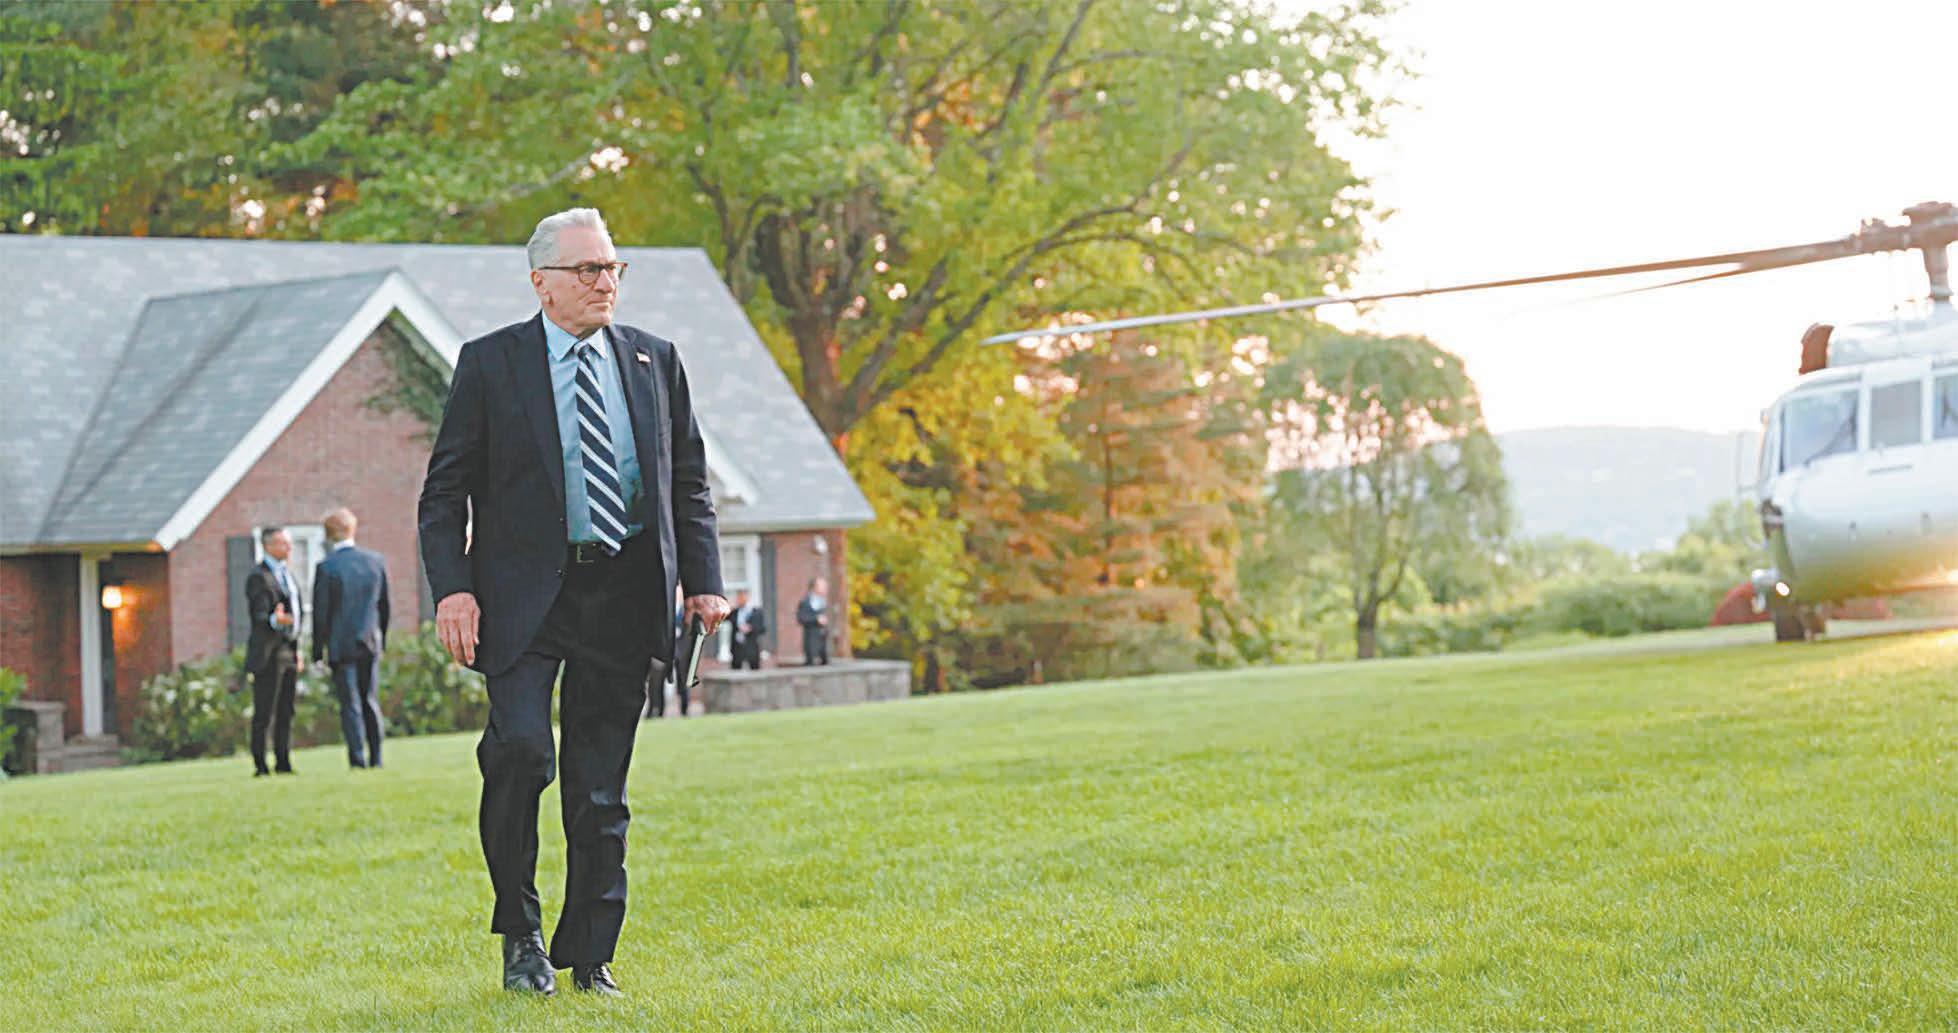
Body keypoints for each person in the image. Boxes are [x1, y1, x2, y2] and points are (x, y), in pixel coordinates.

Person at [419, 206, 728, 998]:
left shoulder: (655, 361)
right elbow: (444, 492)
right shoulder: (491, 364)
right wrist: (453, 589)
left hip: (622, 593)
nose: (604, 282)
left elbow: (689, 483)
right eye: (587, 269)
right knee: (521, 751)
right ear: (542, 283)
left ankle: (591, 953)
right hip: (522, 598)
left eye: (612, 267)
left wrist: (704, 581)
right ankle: (520, 934)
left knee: (599, 788)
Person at [310, 507, 391, 770]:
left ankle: (357, 759)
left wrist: (317, 651)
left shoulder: (327, 567)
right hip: (369, 641)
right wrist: (382, 640)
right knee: (370, 700)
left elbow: (321, 614)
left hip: (340, 645)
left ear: (328, 534)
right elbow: (384, 607)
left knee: (350, 704)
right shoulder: (375, 561)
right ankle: (377, 757)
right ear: (352, 529)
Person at [244, 526, 304, 776]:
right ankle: (260, 764)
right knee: (265, 711)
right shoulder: (258, 577)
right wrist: (273, 619)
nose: (289, 548)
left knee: (286, 710)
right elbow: (258, 616)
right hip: (268, 654)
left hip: (288, 649)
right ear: (268, 546)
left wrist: (297, 649)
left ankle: (283, 760)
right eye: (283, 543)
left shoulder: (287, 575)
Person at [797, 576, 830, 666]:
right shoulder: (805, 602)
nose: (825, 588)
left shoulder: (824, 602)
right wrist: (816, 619)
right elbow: (801, 618)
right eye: (822, 586)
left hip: (823, 643)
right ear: (814, 587)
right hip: (812, 642)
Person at [729, 588, 765, 670]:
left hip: (751, 647)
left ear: (748, 597)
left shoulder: (756, 612)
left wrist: (750, 628)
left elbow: (762, 628)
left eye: (742, 597)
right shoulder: (735, 612)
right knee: (736, 669)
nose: (740, 599)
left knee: (754, 669)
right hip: (737, 648)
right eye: (738, 597)